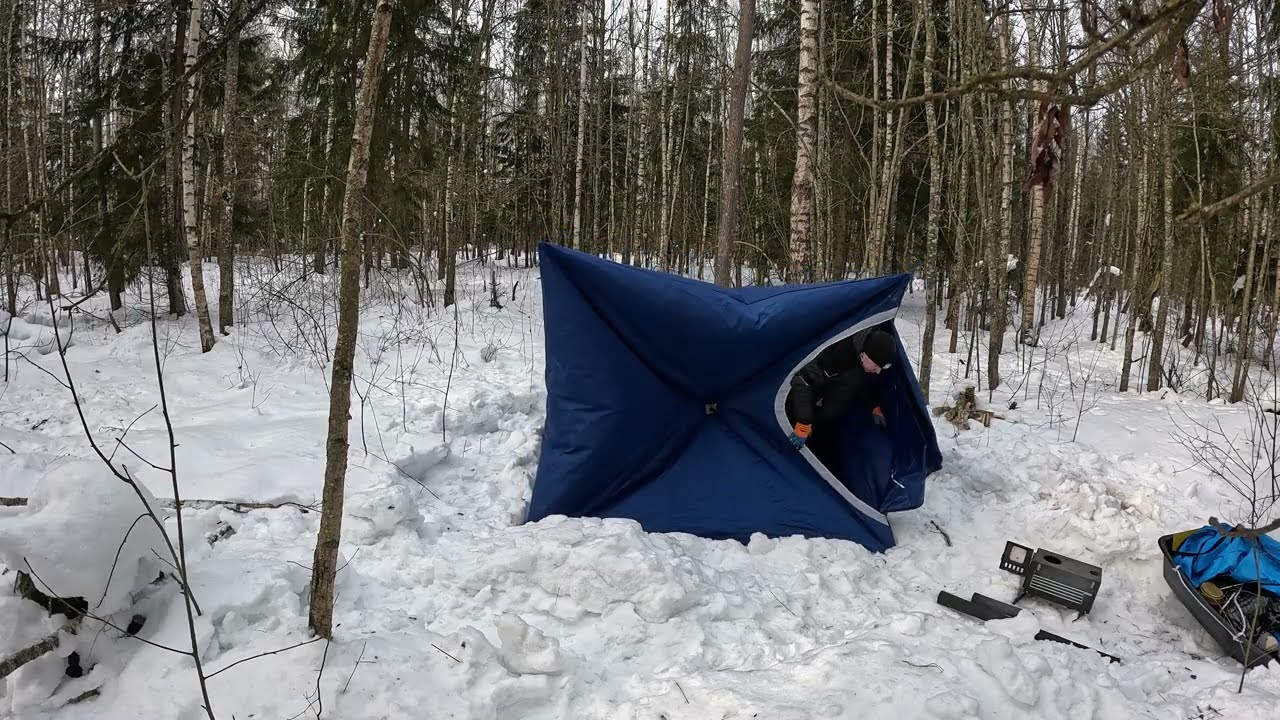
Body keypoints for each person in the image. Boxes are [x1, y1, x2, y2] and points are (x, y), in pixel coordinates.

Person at [785, 326, 896, 458]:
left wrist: (874, 406)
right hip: (801, 411)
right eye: (877, 366)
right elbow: (802, 382)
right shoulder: (837, 354)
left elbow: (861, 384)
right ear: (866, 354)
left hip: (826, 416)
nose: (878, 371)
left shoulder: (864, 361)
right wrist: (803, 422)